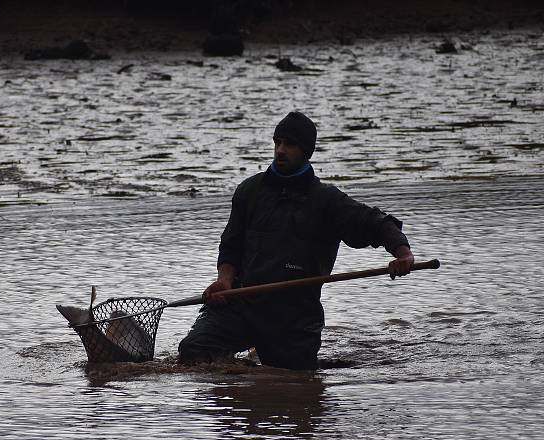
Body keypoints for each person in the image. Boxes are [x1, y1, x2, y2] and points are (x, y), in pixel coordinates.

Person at [178, 111, 415, 370]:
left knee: (292, 378)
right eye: (277, 142)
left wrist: (402, 254)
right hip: (242, 303)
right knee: (194, 352)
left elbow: (375, 223)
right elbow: (230, 245)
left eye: (289, 144)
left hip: (295, 316)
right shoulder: (250, 191)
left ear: (306, 152)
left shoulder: (326, 200)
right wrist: (224, 280)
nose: (280, 150)